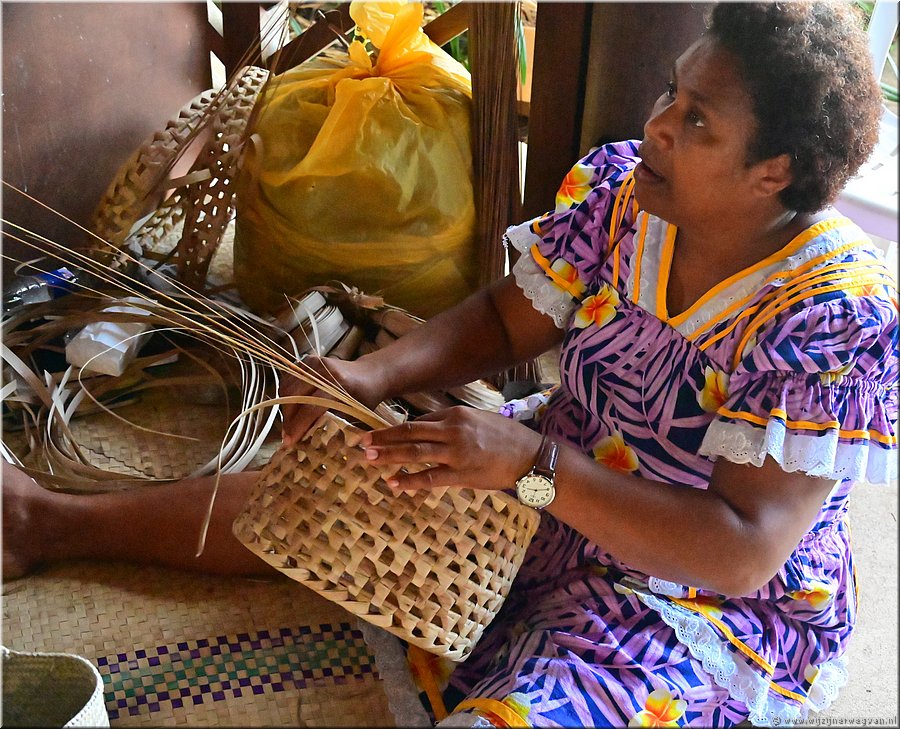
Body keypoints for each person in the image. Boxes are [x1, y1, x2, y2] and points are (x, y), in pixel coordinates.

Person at [3, 2, 896, 726]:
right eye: (671, 92)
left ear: (773, 172)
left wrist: (533, 469)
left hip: (692, 596)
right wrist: (370, 379)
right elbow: (508, 324)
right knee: (335, 485)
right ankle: (43, 521)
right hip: (557, 473)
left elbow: (739, 554)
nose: (657, 125)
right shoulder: (628, 196)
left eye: (696, 120)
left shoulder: (828, 321)